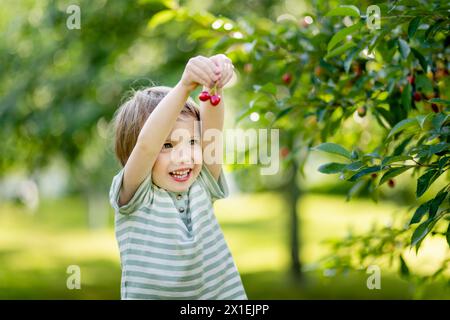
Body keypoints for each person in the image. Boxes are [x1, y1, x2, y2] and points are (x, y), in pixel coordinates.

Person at [109, 54, 247, 299]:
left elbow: (212, 131)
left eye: (192, 141)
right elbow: (146, 146)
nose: (183, 157)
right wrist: (184, 86)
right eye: (168, 145)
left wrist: (212, 84)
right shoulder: (135, 196)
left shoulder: (202, 183)